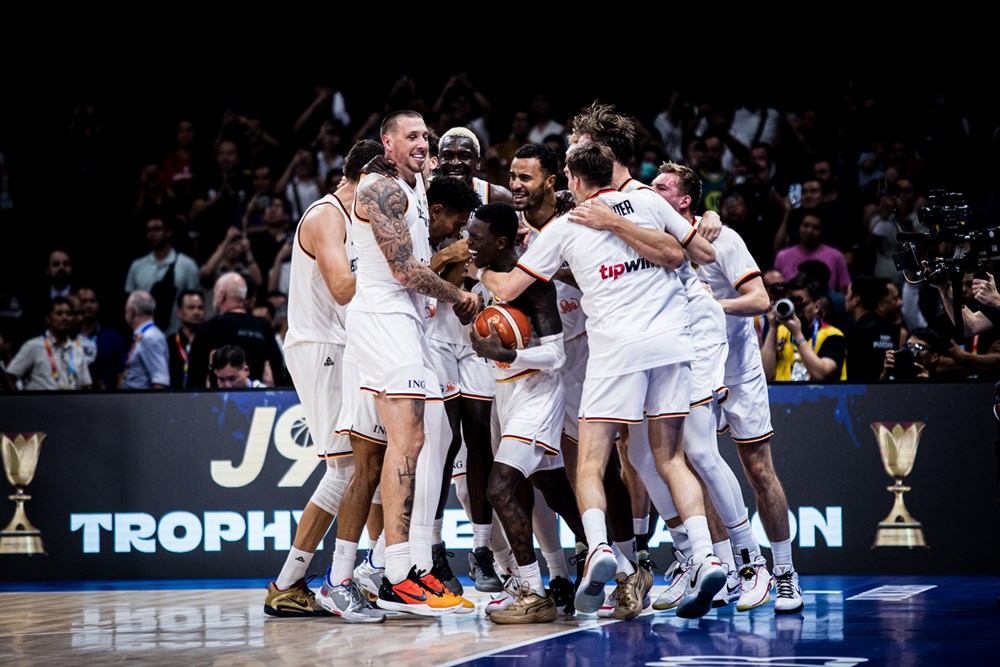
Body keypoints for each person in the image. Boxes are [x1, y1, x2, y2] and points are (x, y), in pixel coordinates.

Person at [479, 142, 726, 620]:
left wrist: (481, 268)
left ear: (568, 176)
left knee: (589, 464)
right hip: (672, 345)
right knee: (670, 458)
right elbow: (694, 252)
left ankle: (598, 551)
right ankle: (706, 555)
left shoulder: (565, 227)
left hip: (614, 351)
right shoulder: (652, 201)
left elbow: (509, 289)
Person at [338, 110, 477, 617]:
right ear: (387, 141)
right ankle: (396, 573)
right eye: (411, 136)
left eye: (425, 136)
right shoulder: (381, 189)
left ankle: (394, 566)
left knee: (413, 443)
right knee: (408, 441)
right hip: (383, 317)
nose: (421, 143)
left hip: (403, 322)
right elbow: (402, 269)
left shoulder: (412, 185)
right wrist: (457, 296)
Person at [654, 161, 803, 614]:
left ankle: (782, 573)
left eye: (661, 187)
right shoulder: (659, 242)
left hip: (738, 370)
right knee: (696, 465)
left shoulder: (723, 238)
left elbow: (760, 300)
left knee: (759, 471)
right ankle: (723, 569)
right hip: (692, 367)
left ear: (685, 201)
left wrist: (707, 304)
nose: (650, 192)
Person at [265, 139, 387, 622]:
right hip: (322, 347)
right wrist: (396, 270)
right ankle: (288, 584)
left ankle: (368, 576)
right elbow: (341, 288)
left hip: (348, 344)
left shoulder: (354, 216)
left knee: (370, 462)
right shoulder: (326, 215)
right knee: (345, 470)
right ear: (362, 179)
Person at [465, 202, 585, 624]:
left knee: (500, 488)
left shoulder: (535, 284)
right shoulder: (483, 274)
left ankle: (532, 591)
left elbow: (555, 354)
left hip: (538, 392)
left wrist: (506, 353)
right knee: (551, 487)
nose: (469, 244)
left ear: (501, 241)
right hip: (505, 393)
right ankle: (613, 564)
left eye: (476, 238)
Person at [186, 272, 287, 388]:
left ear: (222, 295)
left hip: (218, 402)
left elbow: (194, 378)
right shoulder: (263, 326)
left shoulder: (208, 328)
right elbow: (278, 372)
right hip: (258, 400)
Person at [762, 274, 847, 382]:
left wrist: (797, 334)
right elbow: (765, 375)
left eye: (800, 303)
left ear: (816, 306)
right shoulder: (779, 332)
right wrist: (773, 327)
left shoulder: (833, 335)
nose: (796, 309)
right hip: (781, 396)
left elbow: (822, 374)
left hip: (819, 397)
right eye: (792, 303)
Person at [124, 215, 201, 334]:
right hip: (144, 335)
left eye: (157, 229)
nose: (152, 234)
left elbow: (196, 301)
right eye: (149, 230)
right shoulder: (137, 266)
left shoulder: (187, 265)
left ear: (168, 232)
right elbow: (130, 303)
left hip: (176, 335)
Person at [5, 297, 92, 391]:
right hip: (40, 404)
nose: (65, 318)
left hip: (72, 404)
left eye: (68, 314)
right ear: (48, 319)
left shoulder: (77, 350)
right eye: (59, 313)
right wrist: (18, 402)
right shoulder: (33, 346)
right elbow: (10, 374)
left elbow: (86, 385)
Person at [845, 276, 905, 381]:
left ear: (856, 299)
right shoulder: (894, 330)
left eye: (848, 294)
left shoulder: (853, 333)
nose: (845, 297)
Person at [74, 286, 126, 391]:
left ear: (98, 305)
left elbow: (121, 377)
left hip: (105, 399)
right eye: (84, 301)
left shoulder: (113, 338)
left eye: (93, 301)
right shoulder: (68, 338)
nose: (89, 306)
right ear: (75, 305)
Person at [121, 291, 169, 389]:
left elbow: (160, 381)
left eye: (126, 310)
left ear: (131, 312)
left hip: (142, 402)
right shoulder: (143, 335)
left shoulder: (150, 337)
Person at [168, 289, 205, 389]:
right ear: (179, 311)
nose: (196, 312)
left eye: (200, 308)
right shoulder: (169, 343)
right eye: (191, 307)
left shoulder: (208, 341)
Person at [880, 328, 945, 380]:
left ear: (934, 357)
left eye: (919, 347)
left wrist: (926, 384)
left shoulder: (941, 384)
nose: (911, 350)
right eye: (908, 345)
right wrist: (886, 374)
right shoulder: (896, 376)